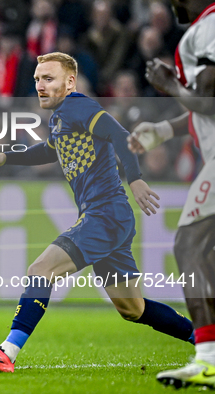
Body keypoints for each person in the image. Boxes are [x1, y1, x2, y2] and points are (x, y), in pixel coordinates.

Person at [0, 52, 195, 373]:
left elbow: (121, 136)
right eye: (36, 80)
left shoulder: (78, 105)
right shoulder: (61, 118)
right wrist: (7, 157)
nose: (40, 86)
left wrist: (136, 179)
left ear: (69, 82)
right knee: (133, 308)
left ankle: (8, 351)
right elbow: (50, 149)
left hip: (105, 214)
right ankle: (206, 340)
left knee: (41, 270)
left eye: (48, 79)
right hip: (112, 218)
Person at [127, 0, 215, 388]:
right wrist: (163, 130)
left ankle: (209, 357)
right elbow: (203, 111)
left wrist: (169, 85)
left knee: (190, 245)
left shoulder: (209, 26)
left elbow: (210, 100)